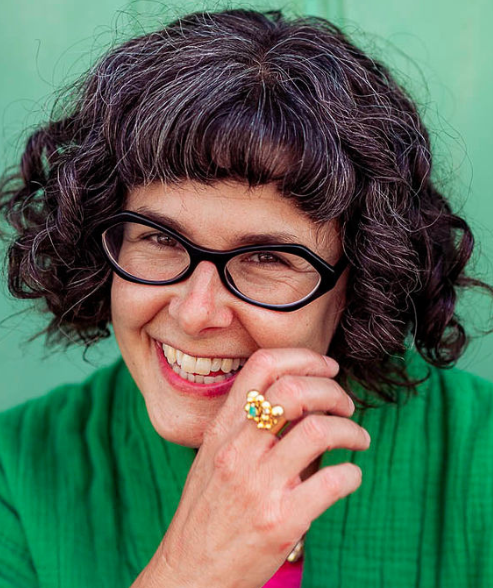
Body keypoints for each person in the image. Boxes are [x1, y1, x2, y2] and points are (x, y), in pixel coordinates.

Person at [1, 7, 492, 587]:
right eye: (158, 238)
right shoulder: (17, 475)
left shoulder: (479, 461)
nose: (195, 311)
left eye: (266, 258)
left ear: (360, 280)